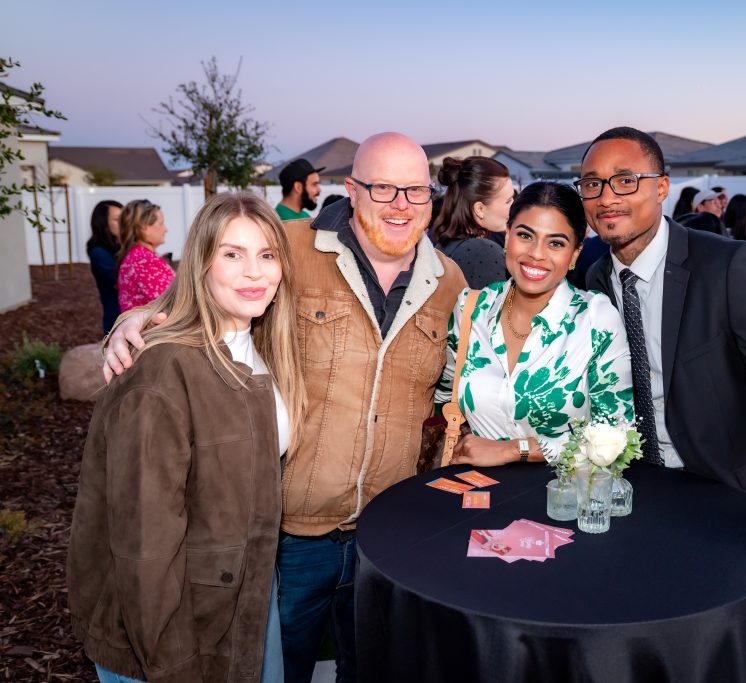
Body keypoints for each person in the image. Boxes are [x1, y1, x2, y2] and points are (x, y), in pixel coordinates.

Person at [103, 133, 467, 682]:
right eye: (384, 188)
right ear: (351, 189)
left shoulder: (448, 281)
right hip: (290, 535)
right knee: (276, 669)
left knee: (371, 668)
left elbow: (452, 391)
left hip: (386, 535)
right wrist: (135, 319)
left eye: (415, 191)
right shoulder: (291, 248)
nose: (401, 204)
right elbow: (210, 287)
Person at [68, 192, 305, 683]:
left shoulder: (263, 352)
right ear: (200, 264)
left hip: (245, 608)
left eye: (266, 255)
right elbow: (143, 548)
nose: (254, 273)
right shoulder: (161, 371)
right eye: (231, 254)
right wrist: (174, 664)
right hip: (171, 633)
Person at [582, 127, 746, 573]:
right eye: (591, 183)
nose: (606, 196)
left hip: (732, 500)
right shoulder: (596, 279)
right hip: (635, 491)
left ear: (661, 187)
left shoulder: (728, 266)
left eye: (624, 179)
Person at [436, 181, 634, 466]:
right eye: (525, 235)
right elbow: (443, 395)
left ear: (575, 254)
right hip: (478, 498)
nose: (536, 254)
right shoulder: (471, 308)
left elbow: (617, 435)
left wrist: (514, 450)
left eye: (556, 243)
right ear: (506, 236)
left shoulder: (595, 319)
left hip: (563, 501)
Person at [432, 156, 513, 288]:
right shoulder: (484, 251)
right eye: (508, 201)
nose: (514, 207)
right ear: (480, 209)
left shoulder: (445, 245)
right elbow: (501, 307)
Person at [117, 199, 174, 312]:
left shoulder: (138, 257)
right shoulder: (143, 261)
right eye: (161, 223)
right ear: (144, 228)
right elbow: (173, 302)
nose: (166, 229)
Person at [86, 200, 123, 334]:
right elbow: (121, 280)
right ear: (104, 224)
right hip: (117, 321)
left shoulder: (123, 247)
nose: (124, 223)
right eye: (117, 219)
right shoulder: (99, 253)